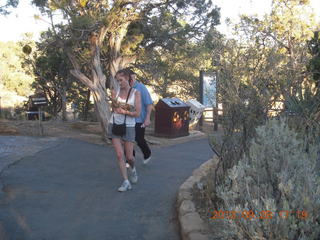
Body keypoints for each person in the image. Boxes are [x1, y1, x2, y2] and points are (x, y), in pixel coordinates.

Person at [107, 69, 141, 192]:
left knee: (129, 157)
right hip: (115, 123)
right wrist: (115, 107)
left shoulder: (135, 93)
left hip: (129, 126)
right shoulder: (114, 92)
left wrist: (125, 112)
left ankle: (133, 169)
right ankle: (126, 181)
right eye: (117, 80)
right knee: (119, 154)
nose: (119, 83)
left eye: (121, 80)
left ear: (127, 79)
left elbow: (137, 113)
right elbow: (114, 108)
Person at [127, 68, 153, 164]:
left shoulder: (141, 87)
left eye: (134, 78)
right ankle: (130, 158)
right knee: (127, 139)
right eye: (131, 79)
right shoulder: (125, 88)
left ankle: (147, 153)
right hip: (127, 118)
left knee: (139, 139)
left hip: (139, 119)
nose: (133, 80)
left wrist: (147, 118)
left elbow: (149, 104)